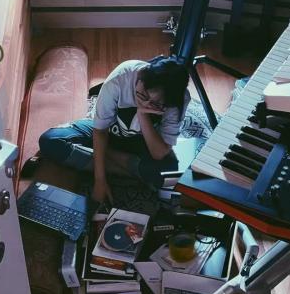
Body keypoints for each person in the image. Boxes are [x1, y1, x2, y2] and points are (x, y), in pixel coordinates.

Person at [38, 56, 190, 203]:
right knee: (51, 141)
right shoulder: (121, 78)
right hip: (107, 132)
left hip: (141, 142)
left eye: (155, 104)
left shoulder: (178, 100)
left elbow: (159, 153)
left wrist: (142, 114)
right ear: (140, 76)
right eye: (143, 95)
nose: (146, 102)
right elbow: (100, 131)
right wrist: (100, 180)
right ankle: (133, 171)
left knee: (168, 176)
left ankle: (102, 155)